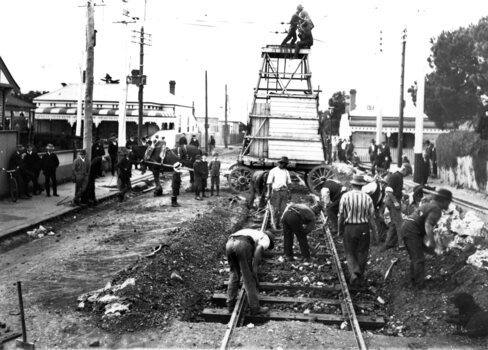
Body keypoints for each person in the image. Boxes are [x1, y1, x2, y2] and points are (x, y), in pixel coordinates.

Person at [402, 189, 452, 290]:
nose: (449, 204)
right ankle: (419, 286)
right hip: (412, 230)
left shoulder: (430, 205)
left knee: (415, 257)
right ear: (444, 201)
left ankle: (414, 281)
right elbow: (428, 225)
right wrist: (432, 243)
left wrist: (426, 247)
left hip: (408, 228)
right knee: (419, 259)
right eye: (449, 201)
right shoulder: (436, 209)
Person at [338, 174, 378, 287]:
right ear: (362, 185)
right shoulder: (368, 198)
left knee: (350, 251)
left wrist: (340, 229)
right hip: (364, 227)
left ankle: (354, 273)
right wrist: (375, 232)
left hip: (350, 228)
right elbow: (371, 217)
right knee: (362, 252)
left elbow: (340, 215)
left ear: (352, 184)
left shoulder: (345, 196)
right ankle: (360, 276)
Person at [226, 229, 275, 315]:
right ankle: (255, 308)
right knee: (248, 277)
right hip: (242, 244)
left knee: (234, 274)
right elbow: (259, 248)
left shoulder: (253, 232)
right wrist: (254, 268)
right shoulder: (266, 238)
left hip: (229, 243)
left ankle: (230, 305)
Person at [381, 164, 411, 251]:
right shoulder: (396, 176)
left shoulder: (399, 176)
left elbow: (395, 190)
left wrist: (402, 194)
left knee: (394, 224)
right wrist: (395, 202)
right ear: (404, 169)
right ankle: (401, 245)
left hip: (392, 200)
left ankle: (388, 243)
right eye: (407, 173)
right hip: (392, 201)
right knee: (400, 223)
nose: (406, 175)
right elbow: (388, 190)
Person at [266, 156, 292, 229]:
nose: (285, 165)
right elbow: (269, 183)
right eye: (285, 164)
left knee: (282, 209)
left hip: (284, 191)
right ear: (281, 163)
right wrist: (268, 193)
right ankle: (273, 224)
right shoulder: (273, 171)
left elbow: (289, 183)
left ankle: (279, 224)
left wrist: (289, 193)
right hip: (276, 192)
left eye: (286, 164)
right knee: (275, 209)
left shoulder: (286, 171)